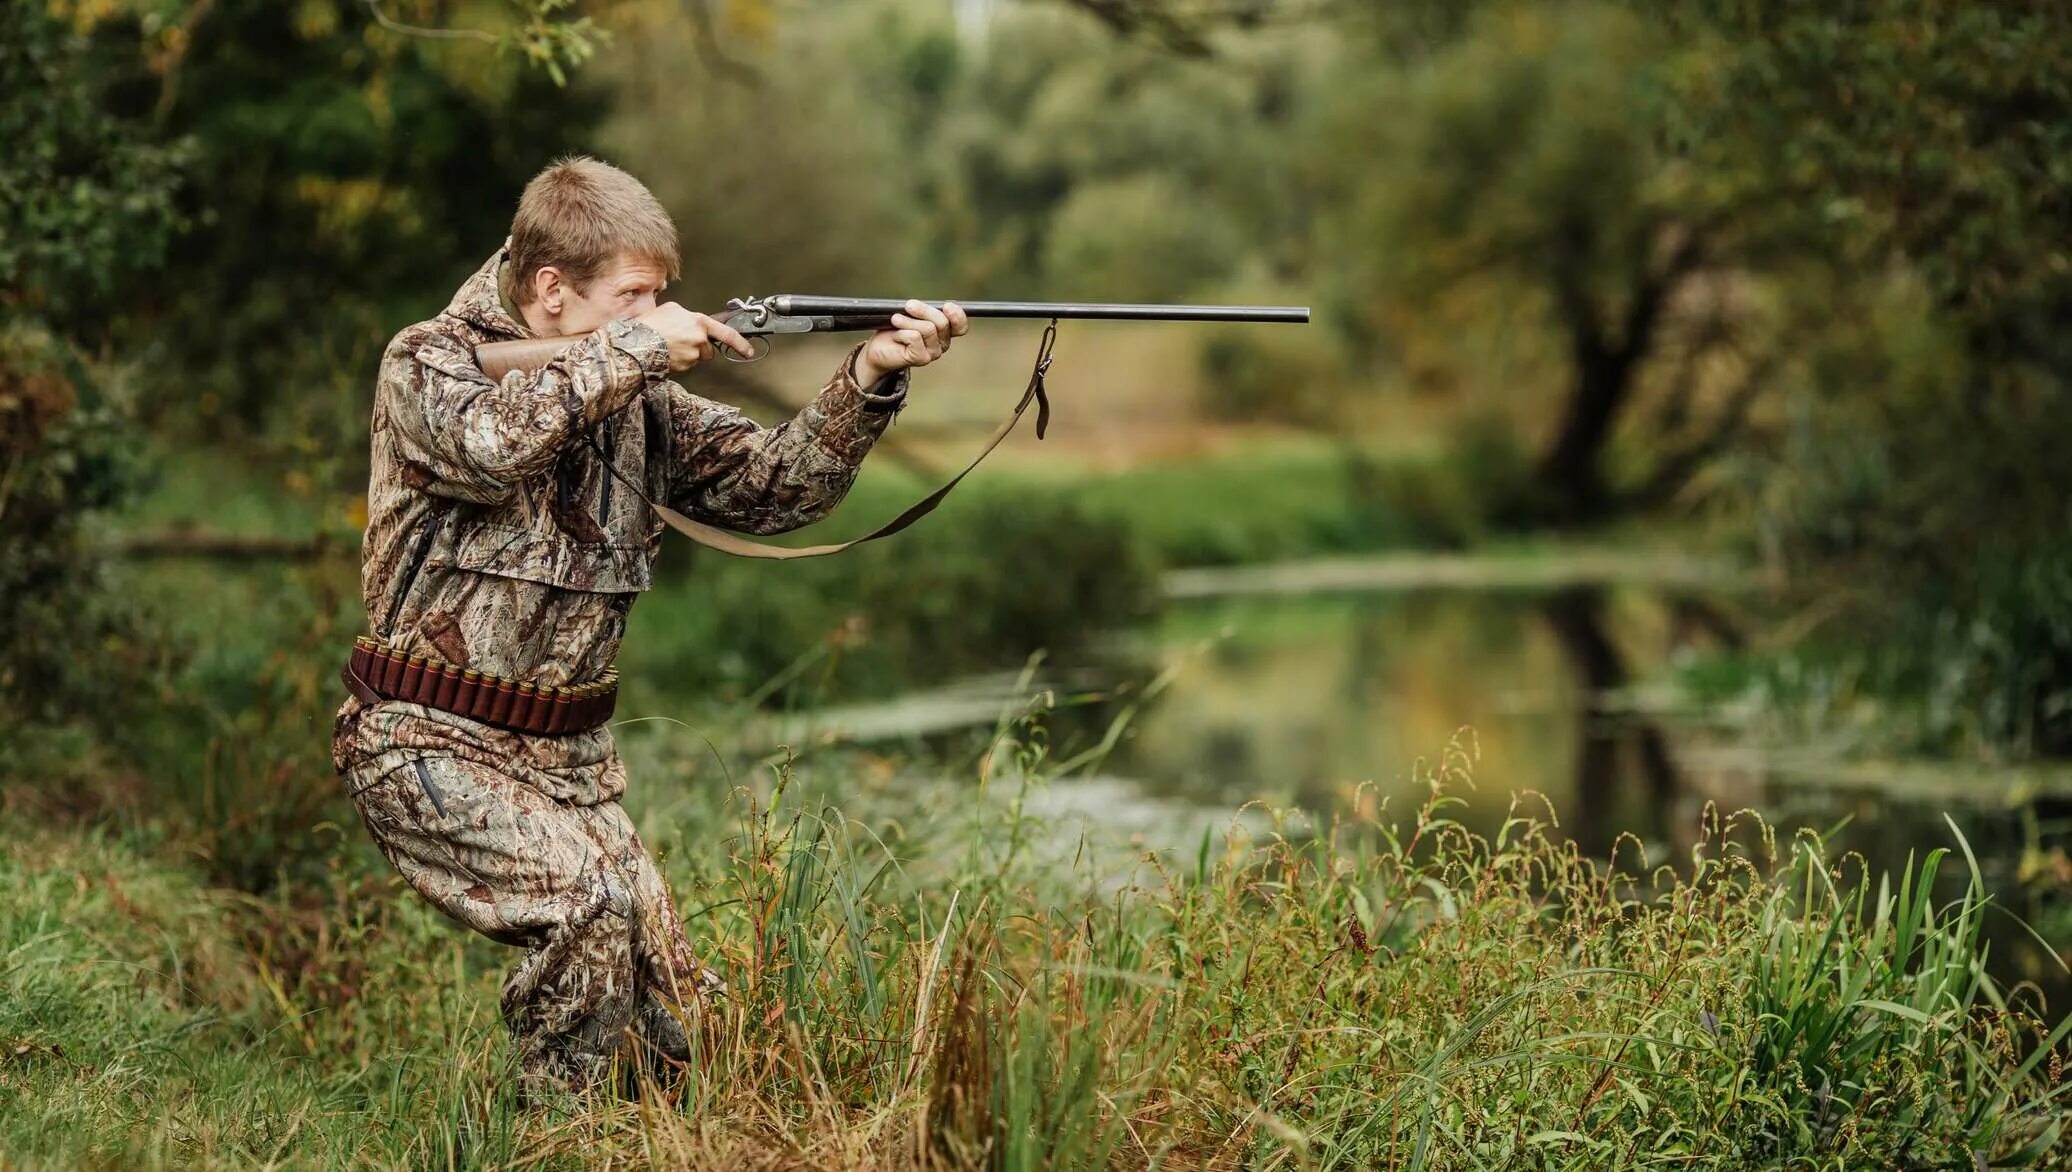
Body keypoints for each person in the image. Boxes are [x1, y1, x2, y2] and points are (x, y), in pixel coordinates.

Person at [328, 155, 966, 1097]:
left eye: (660, 296)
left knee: (683, 1019)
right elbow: (492, 447)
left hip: (572, 768)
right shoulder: (427, 362)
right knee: (583, 907)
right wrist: (633, 351)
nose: (659, 315)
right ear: (552, 290)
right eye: (636, 295)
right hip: (423, 738)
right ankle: (553, 1141)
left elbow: (774, 490)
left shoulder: (639, 400)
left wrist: (870, 374)